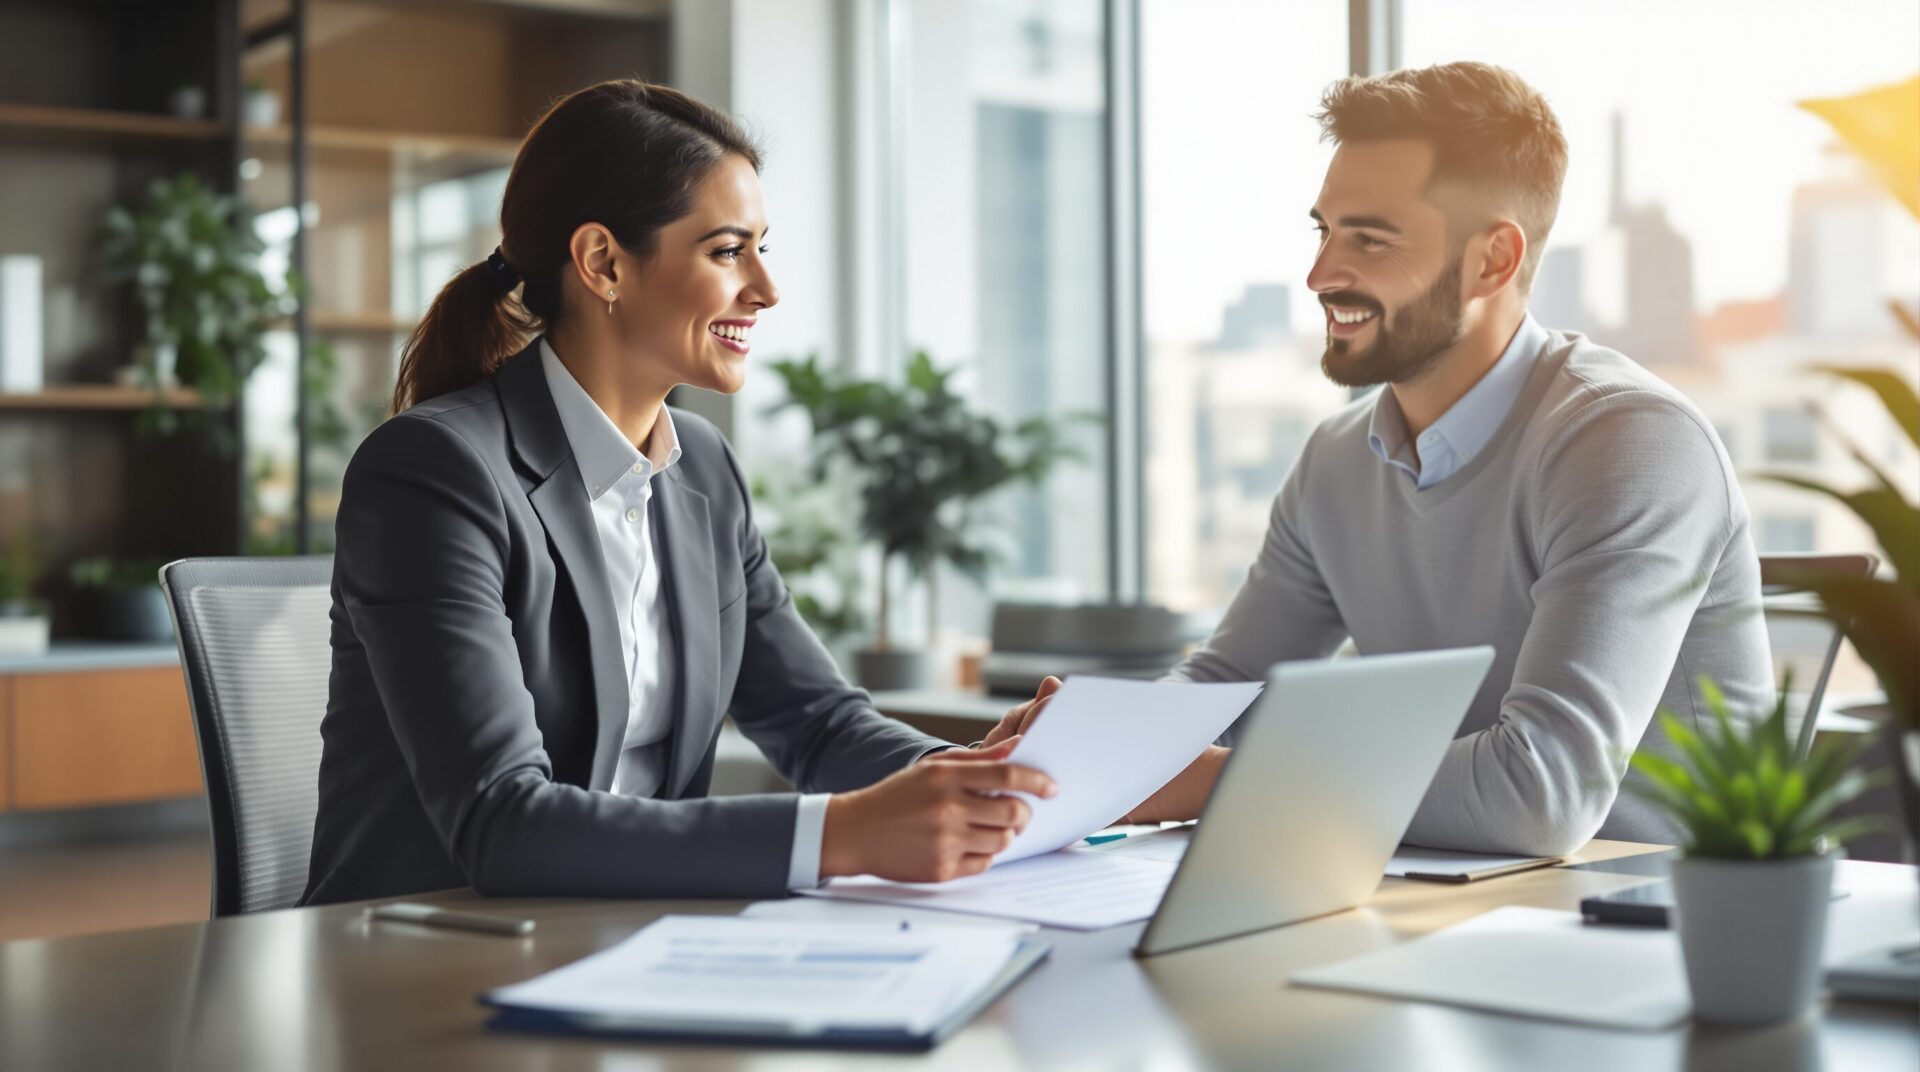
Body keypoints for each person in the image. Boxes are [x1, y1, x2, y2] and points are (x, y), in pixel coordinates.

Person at [987, 62, 1771, 857]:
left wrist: (1198, 781)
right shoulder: (1336, 459)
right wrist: (1098, 740)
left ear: (1493, 261)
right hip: (1433, 889)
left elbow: (1543, 793)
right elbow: (1225, 687)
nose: (1321, 275)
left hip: (1661, 923)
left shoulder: (1629, 444)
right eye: (1324, 231)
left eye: (1370, 238)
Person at [302, 80, 1054, 906]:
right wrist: (839, 835)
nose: (765, 290)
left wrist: (984, 776)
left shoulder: (703, 470)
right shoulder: (433, 473)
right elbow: (498, 820)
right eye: (728, 251)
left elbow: (819, 722)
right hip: (424, 960)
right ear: (604, 263)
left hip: (633, 939)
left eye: (763, 249)